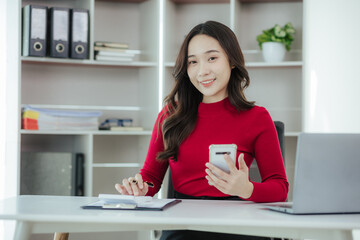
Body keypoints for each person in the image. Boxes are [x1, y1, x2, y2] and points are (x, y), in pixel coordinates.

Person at [115, 20, 288, 240]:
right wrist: (140, 189)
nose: (202, 71)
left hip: (240, 226)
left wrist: (246, 189)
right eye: (193, 62)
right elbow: (150, 178)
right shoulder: (170, 115)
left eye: (212, 58)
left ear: (232, 61)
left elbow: (280, 188)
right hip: (183, 227)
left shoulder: (257, 117)